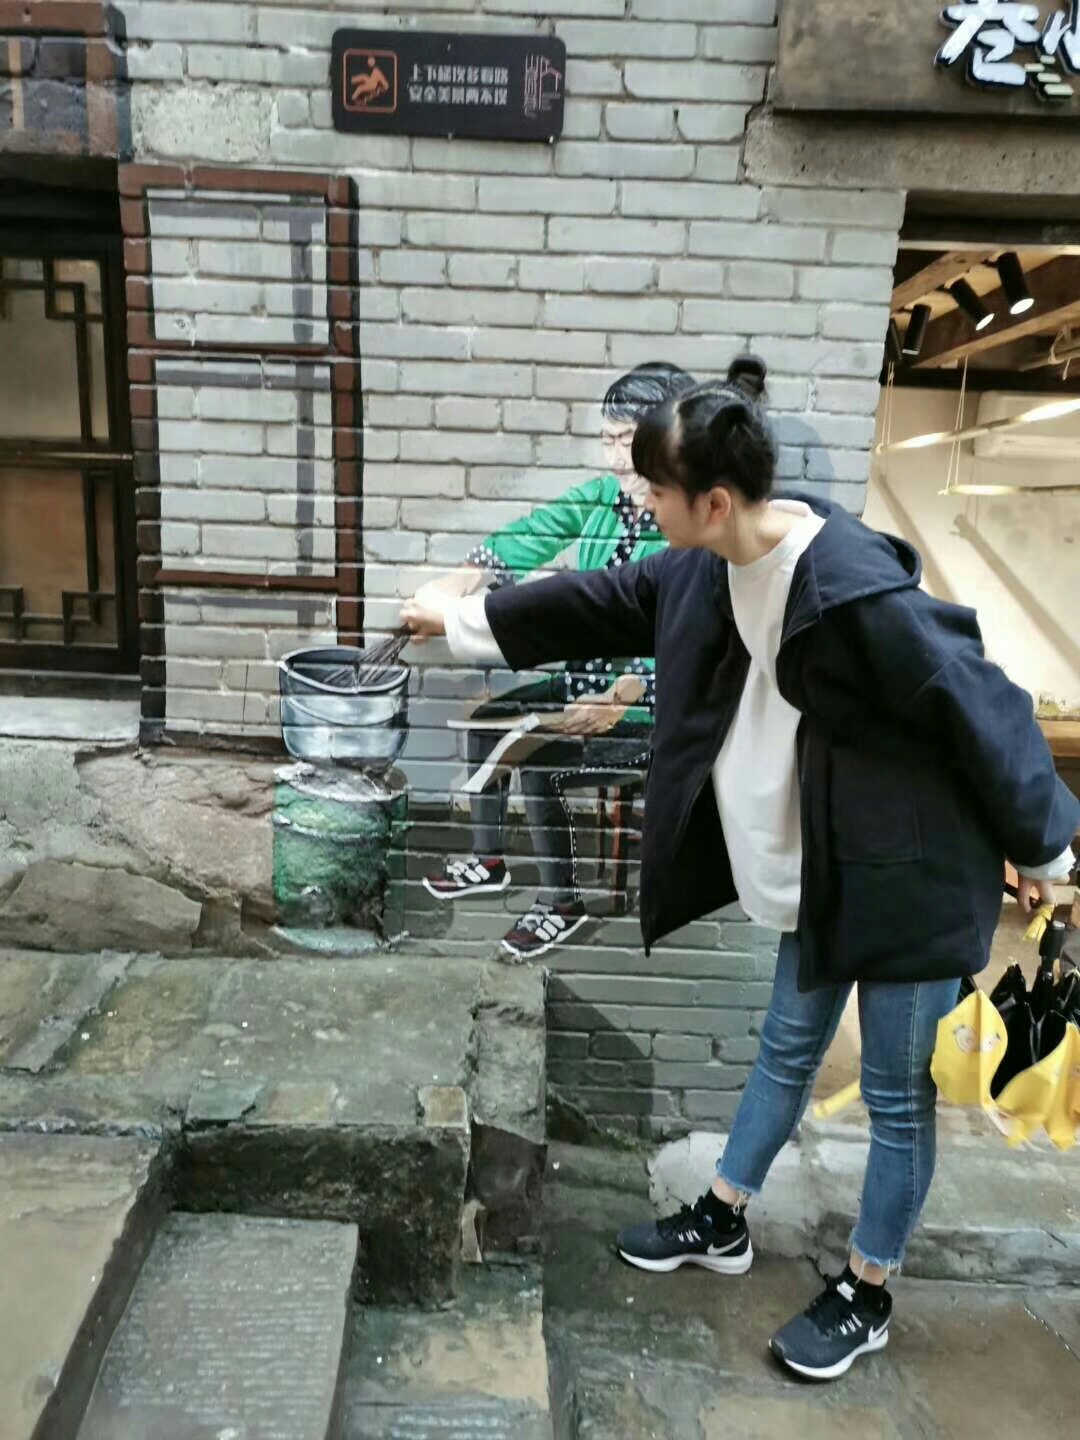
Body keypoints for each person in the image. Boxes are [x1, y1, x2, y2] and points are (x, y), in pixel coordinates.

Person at [402, 356, 1079, 1379]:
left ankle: (867, 1288)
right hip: (820, 868)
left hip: (913, 875)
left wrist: (1044, 847)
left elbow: (983, 705)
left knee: (896, 1096)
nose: (640, 502)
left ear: (713, 501)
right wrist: (460, 621)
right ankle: (723, 1218)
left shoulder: (849, 586)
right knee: (785, 1050)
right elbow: (594, 601)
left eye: (655, 489)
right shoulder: (703, 566)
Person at [409, 361, 695, 960]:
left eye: (628, 440)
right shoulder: (601, 500)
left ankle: (562, 904)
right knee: (486, 723)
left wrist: (622, 695)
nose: (616, 458)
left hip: (649, 712)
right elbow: (531, 534)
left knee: (542, 768)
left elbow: (693, 642)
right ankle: (489, 859)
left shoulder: (687, 529)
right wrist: (459, 583)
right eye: (608, 440)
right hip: (579, 685)